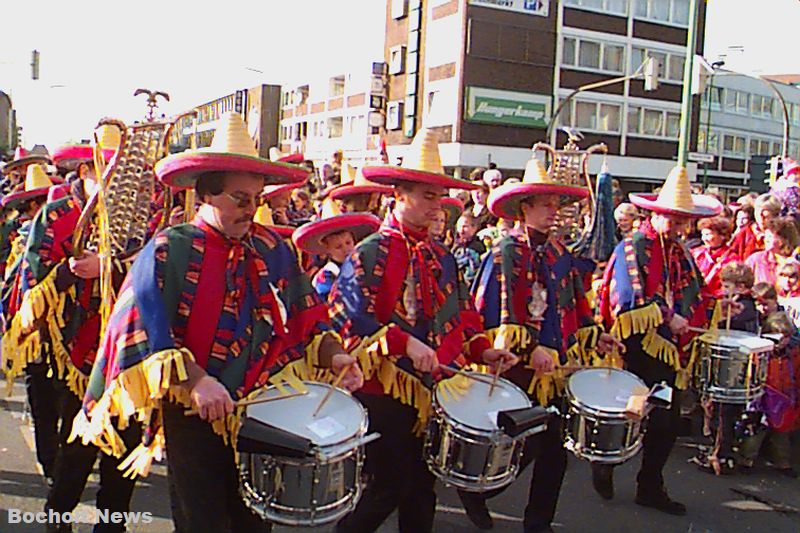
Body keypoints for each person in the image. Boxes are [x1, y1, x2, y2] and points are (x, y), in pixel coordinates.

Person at [71, 113, 363, 533]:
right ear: (207, 195)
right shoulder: (170, 251)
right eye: (241, 199)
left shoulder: (271, 247)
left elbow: (308, 318)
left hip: (262, 411)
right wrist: (196, 381)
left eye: (258, 199)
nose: (252, 209)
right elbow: (144, 331)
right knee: (202, 523)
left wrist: (336, 357)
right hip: (194, 414)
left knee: (253, 523)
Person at [329, 127, 517, 533]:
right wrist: (404, 342)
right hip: (386, 388)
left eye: (440, 197)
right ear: (399, 195)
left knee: (422, 488)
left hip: (434, 386)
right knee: (389, 486)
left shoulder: (440, 254)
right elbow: (351, 317)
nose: (439, 206)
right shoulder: (371, 251)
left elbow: (462, 313)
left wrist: (483, 350)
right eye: (428, 196)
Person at [461, 154, 622, 533]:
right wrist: (527, 347)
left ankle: (538, 523)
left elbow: (574, 305)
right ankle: (477, 493)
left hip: (556, 369)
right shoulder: (506, 252)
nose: (555, 212)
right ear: (524, 208)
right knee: (519, 444)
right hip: (517, 367)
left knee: (554, 451)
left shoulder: (559, 252)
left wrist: (597, 334)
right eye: (546, 205)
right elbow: (494, 312)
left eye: (557, 205)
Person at [2, 129, 143, 533]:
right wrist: (67, 273)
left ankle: (112, 522)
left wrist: (111, 266)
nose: (119, 185)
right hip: (70, 346)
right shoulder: (57, 213)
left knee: (127, 439)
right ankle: (57, 515)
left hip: (126, 343)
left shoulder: (134, 216)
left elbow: (152, 267)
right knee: (77, 441)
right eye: (111, 173)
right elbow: (34, 277)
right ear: (86, 170)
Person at [597, 165, 726, 515]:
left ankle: (650, 484)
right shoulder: (635, 244)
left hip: (669, 352)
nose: (682, 228)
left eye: (685, 221)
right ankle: (604, 461)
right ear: (655, 214)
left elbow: (694, 289)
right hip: (636, 345)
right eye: (675, 219)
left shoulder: (680, 250)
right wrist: (669, 316)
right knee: (629, 411)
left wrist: (715, 303)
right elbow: (628, 296)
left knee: (665, 419)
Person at [693, 261, 758, 475]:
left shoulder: (746, 308)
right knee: (718, 411)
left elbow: (726, 326)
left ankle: (720, 455)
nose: (723, 291)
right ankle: (719, 450)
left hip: (733, 368)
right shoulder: (740, 304)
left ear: (741, 287)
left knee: (724, 414)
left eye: (727, 286)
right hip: (729, 367)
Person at [738, 312, 799, 477]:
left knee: (782, 434)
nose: (781, 341)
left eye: (785, 337)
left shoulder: (794, 355)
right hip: (761, 398)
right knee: (755, 431)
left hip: (784, 399)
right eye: (777, 337)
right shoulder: (759, 353)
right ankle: (746, 460)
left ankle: (782, 462)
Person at [292, 198, 380, 300]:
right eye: (338, 247)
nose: (346, 249)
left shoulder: (364, 264)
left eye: (348, 243)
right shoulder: (326, 276)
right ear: (327, 249)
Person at [691, 215, 738, 297]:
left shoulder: (732, 259)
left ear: (722, 235)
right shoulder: (697, 253)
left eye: (708, 234)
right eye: (703, 234)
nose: (704, 238)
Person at [746, 217, 799, 286]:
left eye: (770, 237)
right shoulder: (756, 259)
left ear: (784, 239)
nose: (766, 240)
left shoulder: (796, 261)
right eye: (765, 236)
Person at [730, 193, 781, 259]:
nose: (761, 216)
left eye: (765, 212)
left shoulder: (781, 233)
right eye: (757, 211)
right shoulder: (744, 233)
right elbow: (733, 255)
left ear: (775, 214)